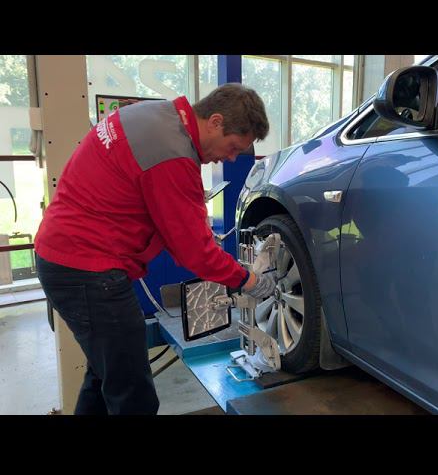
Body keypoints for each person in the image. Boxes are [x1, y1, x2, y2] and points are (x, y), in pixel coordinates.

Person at [34, 83, 276, 415]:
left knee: (106, 376)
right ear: (215, 121)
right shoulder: (172, 154)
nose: (231, 157)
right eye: (233, 147)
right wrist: (248, 280)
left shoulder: (154, 116)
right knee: (134, 397)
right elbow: (196, 254)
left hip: (64, 256)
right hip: (87, 268)